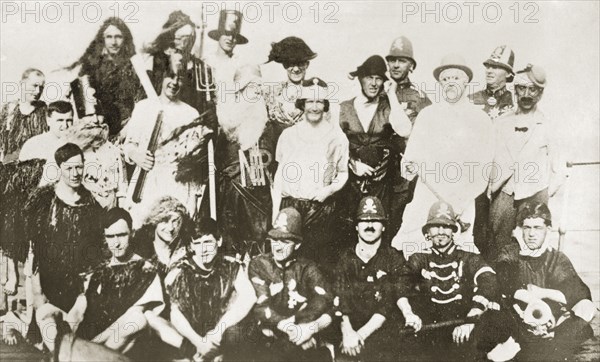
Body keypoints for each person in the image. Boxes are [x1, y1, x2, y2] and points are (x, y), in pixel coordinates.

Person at [393, 54, 494, 255]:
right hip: (427, 195)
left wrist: (461, 201)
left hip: (462, 198)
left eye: (455, 78)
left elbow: (484, 168)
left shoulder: (480, 119)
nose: (450, 83)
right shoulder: (427, 115)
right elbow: (410, 162)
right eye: (445, 79)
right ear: (440, 83)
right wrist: (411, 166)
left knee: (457, 252)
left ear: (466, 81)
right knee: (416, 248)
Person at [487, 202, 595, 361]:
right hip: (518, 321)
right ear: (521, 230)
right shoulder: (511, 252)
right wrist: (530, 298)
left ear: (547, 230)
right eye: (527, 228)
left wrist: (542, 293)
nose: (531, 234)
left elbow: (580, 293)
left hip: (551, 325)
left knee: (586, 309)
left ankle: (550, 344)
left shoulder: (556, 258)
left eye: (537, 228)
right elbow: (505, 279)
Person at [24, 143, 104, 350]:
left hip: (78, 286)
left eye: (79, 167)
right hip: (48, 281)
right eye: (69, 168)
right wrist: (38, 292)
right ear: (59, 167)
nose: (75, 173)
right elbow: (34, 250)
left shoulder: (91, 203)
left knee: (74, 340)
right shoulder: (43, 200)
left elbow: (95, 252)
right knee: (48, 335)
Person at [397, 201, 499, 360]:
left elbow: (489, 280)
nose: (440, 231)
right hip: (428, 331)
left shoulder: (468, 257)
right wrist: (409, 314)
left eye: (446, 226)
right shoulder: (419, 258)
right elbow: (401, 284)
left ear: (453, 231)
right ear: (427, 232)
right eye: (435, 226)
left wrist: (472, 319)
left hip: (462, 329)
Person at [486, 64, 565, 263]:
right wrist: (491, 188)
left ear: (541, 93)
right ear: (515, 90)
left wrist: (544, 193)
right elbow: (488, 158)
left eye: (533, 90)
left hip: (534, 194)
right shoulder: (501, 122)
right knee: (500, 245)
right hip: (503, 193)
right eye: (522, 88)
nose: (527, 95)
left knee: (532, 246)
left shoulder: (549, 124)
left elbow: (560, 168)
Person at [271, 77, 349, 270]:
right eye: (310, 102)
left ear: (325, 105)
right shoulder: (288, 135)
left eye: (319, 102)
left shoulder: (337, 136)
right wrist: (276, 211)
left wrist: (328, 191)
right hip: (290, 205)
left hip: (321, 208)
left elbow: (343, 173)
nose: (314, 107)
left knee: (318, 262)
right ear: (302, 104)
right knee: (289, 263)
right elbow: (279, 176)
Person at [339, 55, 413, 247]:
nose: (373, 83)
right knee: (349, 227)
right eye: (369, 77)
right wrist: (352, 164)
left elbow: (405, 130)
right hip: (350, 182)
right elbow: (334, 144)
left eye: (378, 78)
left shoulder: (387, 107)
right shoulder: (344, 108)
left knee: (381, 225)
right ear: (360, 78)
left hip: (382, 182)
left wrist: (391, 96)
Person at [68, 208, 164, 353]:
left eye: (121, 235)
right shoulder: (98, 270)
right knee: (46, 312)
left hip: (121, 343)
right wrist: (68, 339)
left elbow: (133, 315)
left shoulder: (145, 269)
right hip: (90, 338)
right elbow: (78, 309)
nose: (116, 243)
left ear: (131, 233)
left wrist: (93, 344)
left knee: (137, 320)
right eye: (110, 236)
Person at [123, 71, 211, 223]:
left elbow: (196, 158)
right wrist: (137, 156)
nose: (175, 82)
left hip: (178, 185)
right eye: (171, 77)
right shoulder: (143, 107)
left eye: (180, 78)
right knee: (144, 227)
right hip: (147, 181)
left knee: (176, 227)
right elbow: (129, 145)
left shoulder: (190, 113)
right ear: (162, 77)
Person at [164, 217, 257, 361]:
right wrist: (199, 344)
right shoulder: (181, 271)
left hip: (220, 337)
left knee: (239, 335)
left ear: (219, 241)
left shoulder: (230, 265)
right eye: (198, 243)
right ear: (191, 246)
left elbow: (249, 297)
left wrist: (218, 332)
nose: (203, 250)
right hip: (192, 339)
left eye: (208, 242)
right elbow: (175, 315)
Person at [249, 207, 334, 361]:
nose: (278, 246)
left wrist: (303, 328)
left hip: (299, 333)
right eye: (274, 240)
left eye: (285, 241)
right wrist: (288, 327)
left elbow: (323, 299)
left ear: (297, 245)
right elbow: (261, 305)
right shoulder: (258, 264)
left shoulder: (307, 267)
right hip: (269, 333)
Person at [216, 64, 279, 258]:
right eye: (251, 87)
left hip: (258, 191)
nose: (255, 93)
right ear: (240, 90)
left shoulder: (267, 122)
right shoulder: (225, 123)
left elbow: (272, 154)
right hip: (230, 191)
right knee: (231, 239)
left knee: (258, 237)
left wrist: (263, 156)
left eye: (258, 88)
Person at [332, 196, 406, 360]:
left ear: (384, 227)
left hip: (382, 334)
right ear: (357, 227)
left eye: (375, 221)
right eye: (364, 221)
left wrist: (359, 336)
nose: (370, 226)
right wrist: (349, 333)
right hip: (349, 332)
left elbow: (388, 302)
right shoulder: (345, 258)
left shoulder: (394, 258)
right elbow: (340, 297)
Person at [470, 45, 516, 258]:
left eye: (496, 67)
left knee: (501, 234)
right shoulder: (470, 100)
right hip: (475, 174)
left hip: (503, 178)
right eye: (488, 66)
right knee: (477, 232)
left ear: (508, 74)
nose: (489, 70)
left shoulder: (517, 103)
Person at [384, 36, 432, 238]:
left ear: (411, 65)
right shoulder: (377, 90)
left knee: (398, 222)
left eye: (401, 60)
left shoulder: (420, 98)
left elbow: (422, 137)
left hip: (403, 173)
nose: (395, 65)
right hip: (376, 170)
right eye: (392, 60)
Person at [66, 17, 144, 137]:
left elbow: (141, 104)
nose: (114, 42)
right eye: (109, 37)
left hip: (128, 130)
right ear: (102, 39)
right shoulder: (91, 67)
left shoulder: (135, 68)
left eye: (118, 36)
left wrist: (129, 129)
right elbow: (85, 107)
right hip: (97, 130)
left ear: (125, 39)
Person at [143, 11, 216, 118]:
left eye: (188, 39)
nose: (183, 44)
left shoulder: (201, 69)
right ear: (170, 38)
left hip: (190, 121)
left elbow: (207, 107)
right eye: (179, 38)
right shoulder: (155, 61)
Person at [67, 112, 127, 209]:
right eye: (89, 115)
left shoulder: (113, 150)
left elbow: (122, 188)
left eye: (98, 114)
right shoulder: (67, 150)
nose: (95, 120)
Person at [263, 36, 317, 133]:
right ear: (284, 65)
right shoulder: (270, 94)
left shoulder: (317, 94)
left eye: (300, 63)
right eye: (291, 63)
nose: (296, 69)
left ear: (307, 64)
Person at [0, 68, 47, 163]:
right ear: (22, 84)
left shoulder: (45, 110)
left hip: (37, 166)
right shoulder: (9, 109)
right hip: (10, 167)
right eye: (34, 86)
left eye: (41, 87)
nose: (38, 91)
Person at [205, 10, 248, 90]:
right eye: (227, 34)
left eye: (234, 36)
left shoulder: (240, 65)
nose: (230, 38)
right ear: (219, 35)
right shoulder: (206, 61)